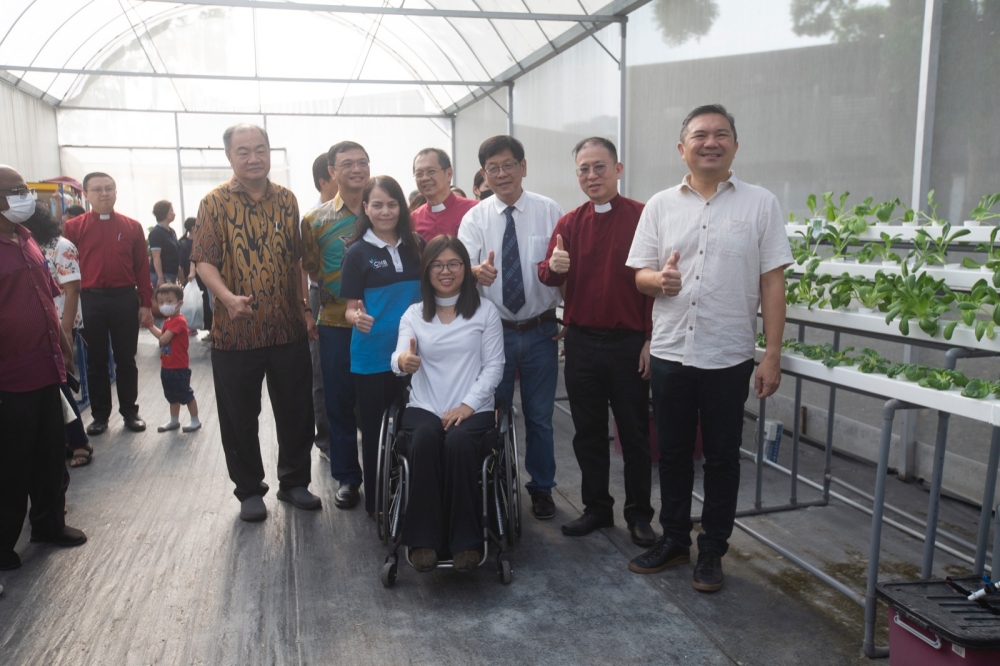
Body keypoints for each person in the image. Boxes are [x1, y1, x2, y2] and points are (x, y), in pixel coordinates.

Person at [625, 104, 792, 592]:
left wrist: (772, 353)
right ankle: (676, 540)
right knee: (673, 453)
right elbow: (640, 275)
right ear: (683, 148)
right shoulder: (660, 204)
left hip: (728, 353)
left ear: (735, 146)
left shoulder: (760, 204)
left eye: (721, 134)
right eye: (700, 135)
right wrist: (662, 279)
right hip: (672, 351)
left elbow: (772, 281)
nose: (710, 142)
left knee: (721, 457)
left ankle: (713, 549)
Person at [191, 123, 321, 522]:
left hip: (286, 329)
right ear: (230, 156)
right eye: (243, 151)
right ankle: (249, 490)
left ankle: (295, 482)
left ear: (270, 153)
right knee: (239, 416)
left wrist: (303, 307)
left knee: (297, 410)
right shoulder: (213, 202)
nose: (253, 158)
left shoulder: (287, 200)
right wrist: (227, 299)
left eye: (260, 149)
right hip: (235, 332)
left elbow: (297, 261)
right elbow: (204, 261)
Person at [538, 137, 656, 547]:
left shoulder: (644, 217)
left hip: (629, 343)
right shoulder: (570, 222)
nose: (592, 176)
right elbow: (547, 274)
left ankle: (640, 515)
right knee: (587, 431)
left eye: (599, 166)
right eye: (584, 169)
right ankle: (597, 508)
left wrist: (649, 340)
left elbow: (657, 285)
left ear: (618, 169)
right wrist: (552, 267)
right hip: (583, 343)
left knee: (635, 434)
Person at [458, 135, 564, 521]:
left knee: (539, 416)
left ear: (523, 166)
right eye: (492, 169)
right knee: (492, 413)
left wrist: (569, 313)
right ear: (484, 173)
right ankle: (497, 481)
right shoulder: (474, 218)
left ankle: (541, 488)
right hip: (493, 333)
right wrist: (475, 272)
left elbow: (563, 266)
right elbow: (459, 269)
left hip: (540, 330)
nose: (501, 174)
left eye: (508, 165)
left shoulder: (549, 211)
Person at [391, 236, 504, 572]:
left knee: (457, 441)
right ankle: (424, 542)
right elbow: (398, 356)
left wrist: (467, 406)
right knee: (424, 439)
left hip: (473, 408)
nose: (446, 271)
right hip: (425, 405)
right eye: (438, 264)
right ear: (426, 271)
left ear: (464, 269)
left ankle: (466, 543)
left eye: (454, 263)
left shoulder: (485, 312)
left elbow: (495, 366)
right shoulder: (413, 314)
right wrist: (405, 361)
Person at [0, 164, 87, 571]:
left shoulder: (28, 239)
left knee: (50, 456)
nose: (24, 196)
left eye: (23, 188)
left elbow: (48, 300)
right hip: (10, 378)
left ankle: (49, 524)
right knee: (11, 464)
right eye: (14, 190)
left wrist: (65, 348)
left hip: (46, 367)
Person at [340, 176, 424, 517]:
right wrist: (354, 318)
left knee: (416, 428)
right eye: (377, 204)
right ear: (365, 208)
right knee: (376, 433)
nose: (385, 211)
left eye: (392, 204)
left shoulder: (417, 244)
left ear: (401, 207)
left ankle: (416, 497)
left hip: (416, 356)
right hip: (372, 357)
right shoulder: (356, 252)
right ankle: (380, 504)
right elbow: (349, 306)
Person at [301, 140, 369, 510]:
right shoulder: (315, 221)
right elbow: (309, 271)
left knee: (380, 401)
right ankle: (347, 477)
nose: (356, 169)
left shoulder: (385, 210)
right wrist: (307, 313)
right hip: (334, 323)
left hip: (381, 325)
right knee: (338, 401)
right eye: (346, 164)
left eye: (362, 162)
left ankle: (382, 468)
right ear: (332, 171)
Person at [63, 172, 153, 435]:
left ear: (116, 192)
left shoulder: (133, 227)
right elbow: (68, 268)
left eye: (109, 188)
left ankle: (130, 412)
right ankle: (100, 415)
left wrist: (145, 303)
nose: (104, 194)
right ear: (87, 195)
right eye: (98, 189)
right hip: (90, 300)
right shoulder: (74, 227)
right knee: (95, 360)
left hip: (125, 298)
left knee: (126, 359)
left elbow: (142, 269)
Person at [21, 206, 92, 468]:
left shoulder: (61, 246)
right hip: (32, 330)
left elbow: (72, 291)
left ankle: (79, 441)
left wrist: (65, 334)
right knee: (51, 390)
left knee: (61, 387)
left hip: (58, 326)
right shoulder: (23, 245)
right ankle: (68, 439)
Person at [302, 152, 335, 457]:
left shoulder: (361, 213)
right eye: (341, 170)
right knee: (321, 370)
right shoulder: (312, 218)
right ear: (324, 180)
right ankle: (326, 438)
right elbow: (302, 268)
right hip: (321, 293)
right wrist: (307, 310)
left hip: (357, 297)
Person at [144, 283, 201, 433]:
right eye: (161, 302)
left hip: (178, 367)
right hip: (167, 366)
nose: (164, 306)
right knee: (172, 395)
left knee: (185, 394)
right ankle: (174, 420)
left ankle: (195, 420)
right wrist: (151, 326)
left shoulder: (179, 321)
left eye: (169, 301)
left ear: (180, 303)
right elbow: (162, 337)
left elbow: (163, 340)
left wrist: (152, 327)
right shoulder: (168, 321)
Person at [410, 148, 477, 242]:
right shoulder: (413, 220)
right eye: (419, 174)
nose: (424, 178)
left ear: (449, 174)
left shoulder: (475, 210)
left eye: (431, 171)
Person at [149, 200, 184, 289]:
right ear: (164, 212)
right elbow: (156, 256)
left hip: (171, 273)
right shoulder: (156, 232)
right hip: (163, 274)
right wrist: (160, 277)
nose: (174, 213)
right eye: (171, 210)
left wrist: (178, 269)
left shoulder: (171, 231)